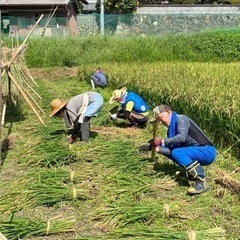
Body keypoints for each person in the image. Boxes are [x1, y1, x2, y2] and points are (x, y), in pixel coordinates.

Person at [139, 104, 216, 195]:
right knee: (176, 152)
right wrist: (156, 148)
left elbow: (181, 137)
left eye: (160, 118)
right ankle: (190, 173)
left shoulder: (181, 119)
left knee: (177, 152)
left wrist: (161, 141)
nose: (161, 122)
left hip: (206, 151)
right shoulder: (170, 131)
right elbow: (172, 151)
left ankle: (201, 181)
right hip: (195, 151)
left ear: (168, 112)